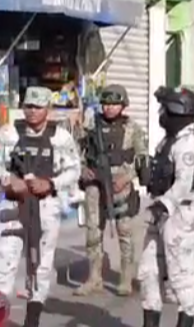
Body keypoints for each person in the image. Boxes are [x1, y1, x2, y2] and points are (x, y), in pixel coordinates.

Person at [0, 87, 82, 327]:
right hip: (12, 206)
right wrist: (9, 179)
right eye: (28, 106)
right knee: (3, 264)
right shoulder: (8, 134)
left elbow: (73, 170)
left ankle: (32, 320)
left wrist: (50, 183)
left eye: (38, 107)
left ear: (47, 110)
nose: (31, 111)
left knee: (39, 265)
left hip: (45, 206)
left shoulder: (60, 137)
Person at [138, 86, 194, 327]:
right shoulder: (171, 140)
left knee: (182, 277)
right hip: (162, 211)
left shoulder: (188, 144)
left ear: (178, 112)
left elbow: (183, 183)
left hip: (180, 214)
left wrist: (163, 207)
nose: (161, 114)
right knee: (149, 272)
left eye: (164, 109)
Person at [73, 84, 148, 297]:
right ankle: (94, 277)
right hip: (95, 185)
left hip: (120, 185)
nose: (110, 108)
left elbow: (142, 157)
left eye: (115, 103)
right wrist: (82, 168)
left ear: (123, 105)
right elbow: (75, 152)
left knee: (124, 231)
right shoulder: (90, 125)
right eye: (106, 103)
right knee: (93, 231)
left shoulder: (133, 128)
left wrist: (128, 176)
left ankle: (125, 279)